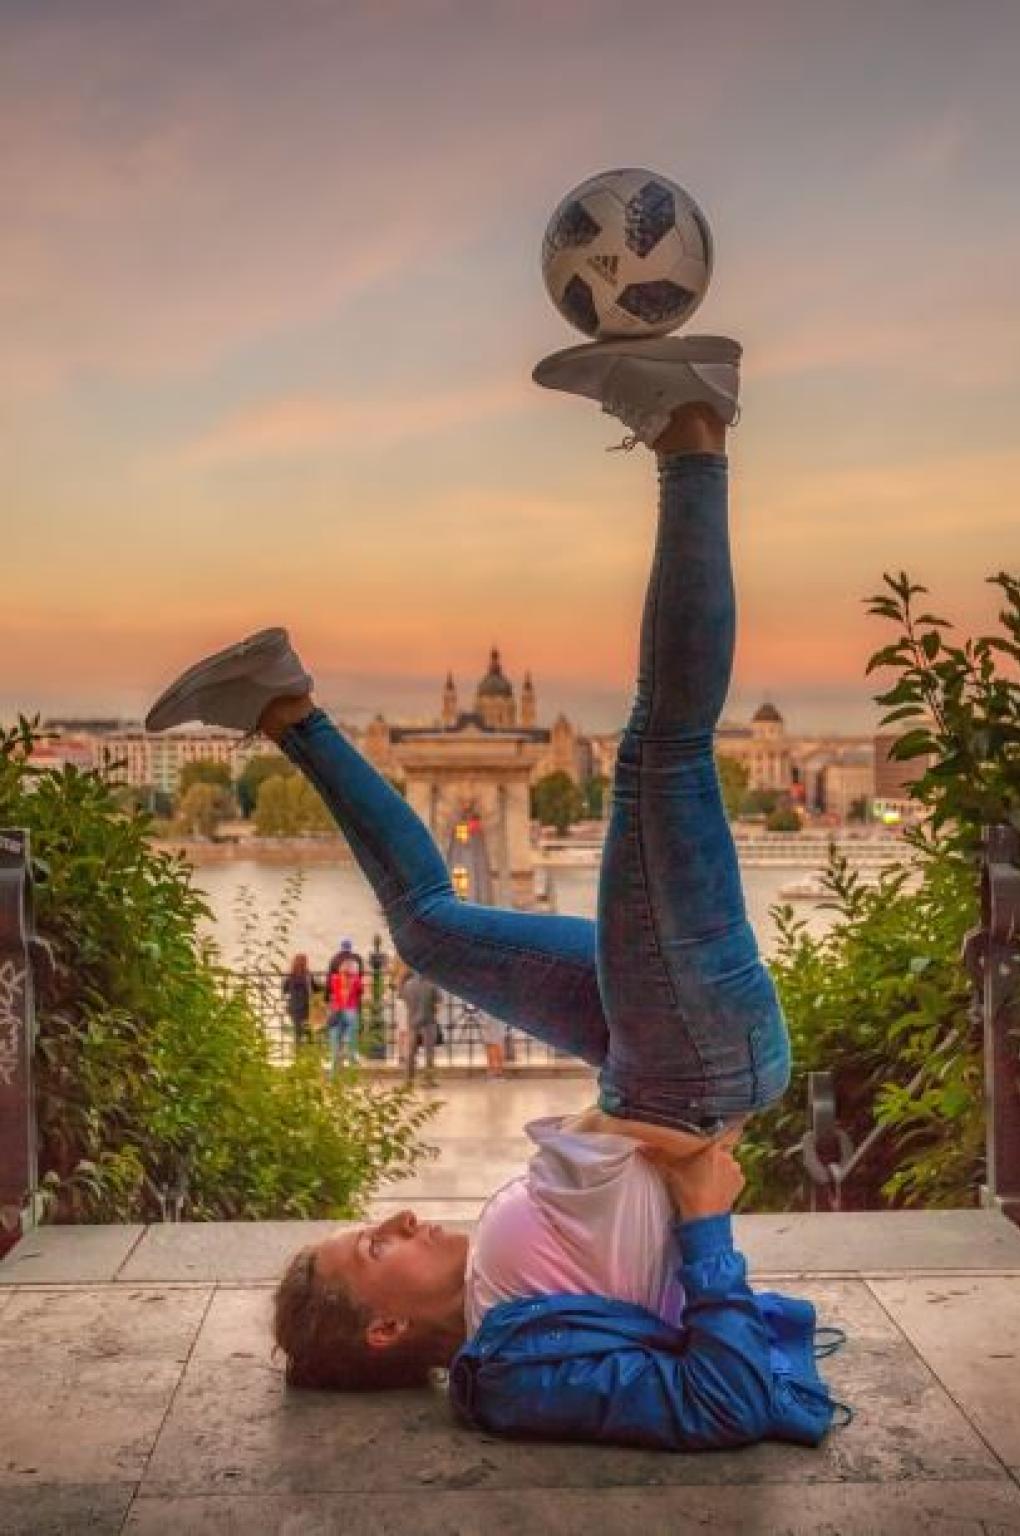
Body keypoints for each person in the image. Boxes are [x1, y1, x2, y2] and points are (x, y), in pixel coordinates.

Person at [145, 333, 850, 1451]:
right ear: (386, 1330)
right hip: (690, 1067)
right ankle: (691, 430)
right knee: (663, 749)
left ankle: (280, 707)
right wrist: (708, 1230)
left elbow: (604, 1213)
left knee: (427, 931)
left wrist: (627, 1141)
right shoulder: (512, 1368)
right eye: (373, 1246)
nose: (396, 1216)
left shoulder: (501, 1296)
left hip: (647, 1062)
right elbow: (723, 1400)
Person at [400, 966, 441, 1085]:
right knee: (429, 1051)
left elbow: (405, 1001)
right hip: (428, 1020)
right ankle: (428, 1079)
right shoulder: (432, 984)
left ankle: (409, 1078)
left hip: (412, 1021)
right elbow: (438, 1004)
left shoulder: (407, 985)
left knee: (411, 1051)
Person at [325, 948, 363, 1071]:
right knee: (351, 1042)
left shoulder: (334, 979)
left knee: (336, 1043)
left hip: (337, 1010)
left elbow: (330, 992)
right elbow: (360, 992)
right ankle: (351, 1071)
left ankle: (334, 1072)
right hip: (351, 1010)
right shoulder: (356, 980)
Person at [281, 952, 319, 1048]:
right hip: (306, 1007)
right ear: (305, 963)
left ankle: (298, 1052)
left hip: (294, 1007)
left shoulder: (291, 976)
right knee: (308, 1031)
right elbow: (315, 988)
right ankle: (310, 1051)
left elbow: (284, 990)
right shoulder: (307, 975)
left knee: (298, 1032)